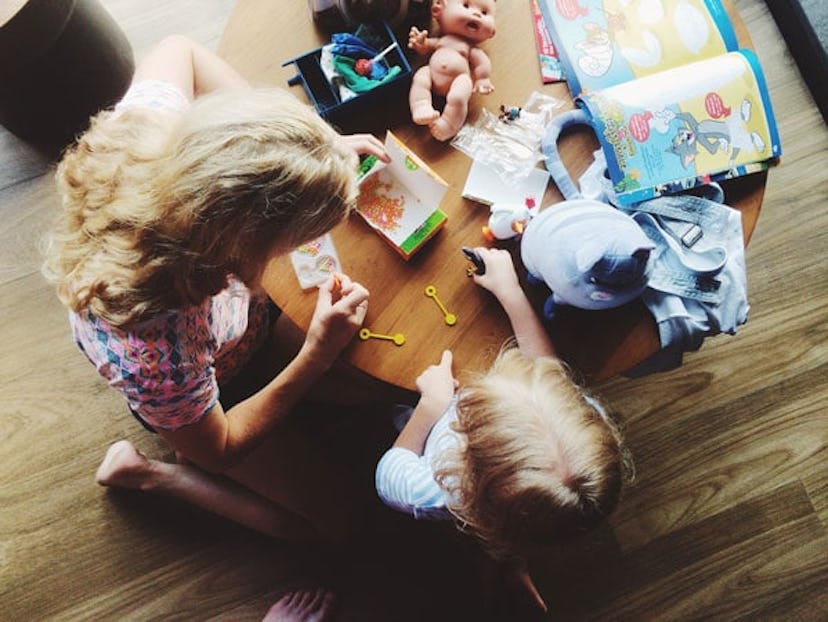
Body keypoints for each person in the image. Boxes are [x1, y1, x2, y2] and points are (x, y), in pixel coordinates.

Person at [43, 34, 390, 622]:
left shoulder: (161, 142)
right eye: (295, 239)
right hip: (207, 404)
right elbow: (220, 445)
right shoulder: (157, 346)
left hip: (234, 336)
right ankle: (152, 476)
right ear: (241, 250)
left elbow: (180, 48)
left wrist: (319, 147)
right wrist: (315, 354)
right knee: (336, 527)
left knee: (370, 387)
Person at [374, 247, 633, 613]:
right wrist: (511, 293)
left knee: (482, 542)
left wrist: (430, 407)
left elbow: (389, 471)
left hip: (453, 470)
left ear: (467, 448)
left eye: (470, 408)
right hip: (517, 523)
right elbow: (546, 370)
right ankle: (511, 562)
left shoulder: (438, 489)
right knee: (507, 540)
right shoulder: (575, 419)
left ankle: (493, 566)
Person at [407, 0, 496, 141]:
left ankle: (449, 125)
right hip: (432, 73)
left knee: (459, 97)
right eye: (466, 5)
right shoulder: (441, 40)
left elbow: (482, 62)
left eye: (484, 12)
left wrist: (483, 79)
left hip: (458, 79)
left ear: (492, 32)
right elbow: (425, 48)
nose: (476, 14)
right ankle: (421, 106)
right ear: (438, 10)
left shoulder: (470, 49)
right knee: (420, 77)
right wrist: (420, 43)